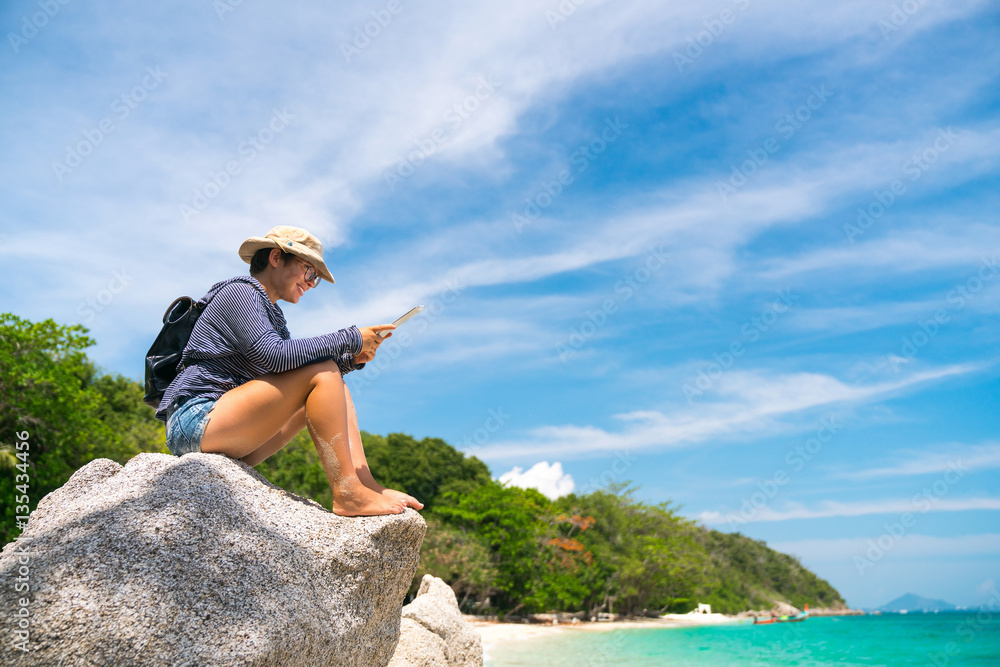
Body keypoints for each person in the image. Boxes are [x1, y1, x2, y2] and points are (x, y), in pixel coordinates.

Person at [155, 225, 423, 517]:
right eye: (309, 272)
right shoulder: (239, 293)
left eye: (316, 279)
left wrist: (351, 359)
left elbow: (289, 373)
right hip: (195, 421)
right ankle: (348, 493)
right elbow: (275, 357)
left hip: (231, 432)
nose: (311, 283)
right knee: (323, 371)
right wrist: (349, 337)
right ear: (275, 258)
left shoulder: (272, 315)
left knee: (333, 381)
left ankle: (366, 486)